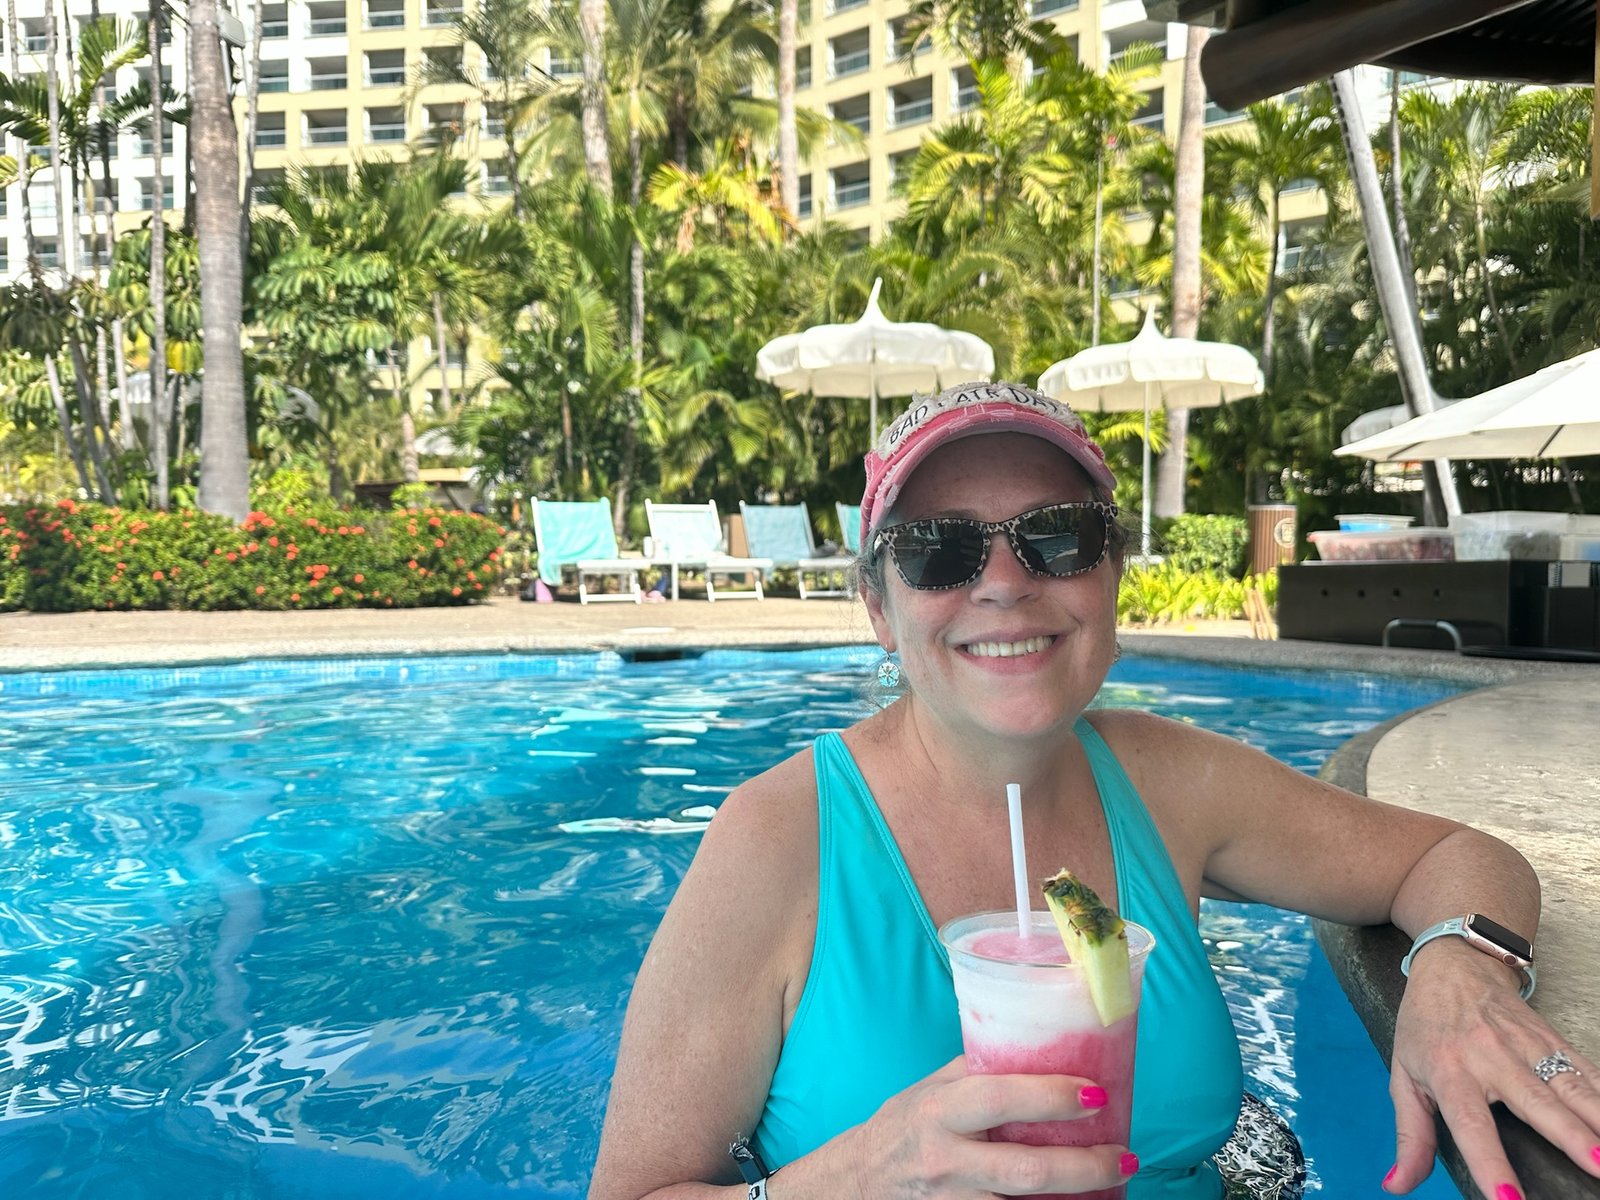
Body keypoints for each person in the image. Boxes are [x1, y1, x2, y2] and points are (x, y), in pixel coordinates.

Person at [589, 382, 1599, 1200]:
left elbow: (1456, 856)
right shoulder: (777, 839)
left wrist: (1459, 971)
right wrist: (847, 1182)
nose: (1003, 581)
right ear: (878, 609)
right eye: (937, 549)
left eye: (1058, 536)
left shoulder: (1170, 781)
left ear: (1111, 574)